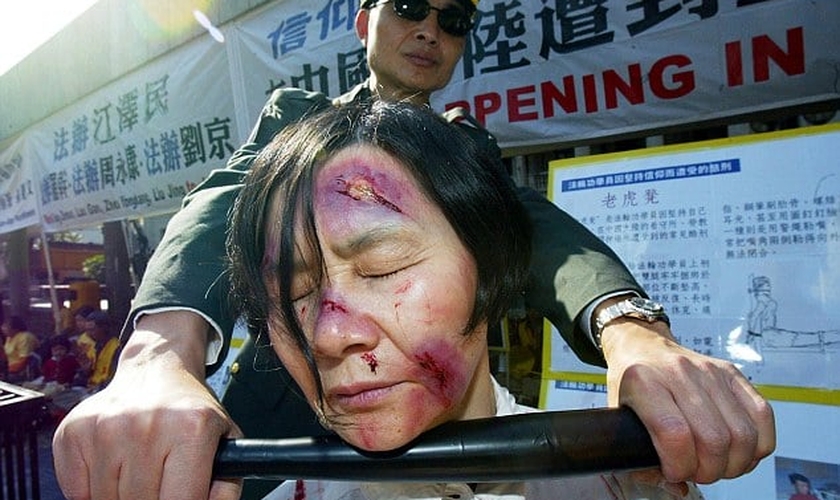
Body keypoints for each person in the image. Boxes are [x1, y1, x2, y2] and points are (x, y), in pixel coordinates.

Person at [53, 1, 775, 499]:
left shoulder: (468, 149)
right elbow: (217, 206)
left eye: (452, 21)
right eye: (409, 8)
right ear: (366, 22)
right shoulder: (299, 121)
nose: (429, 30)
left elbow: (539, 227)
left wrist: (632, 331)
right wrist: (157, 359)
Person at [231, 100, 705, 499]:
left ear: (488, 267)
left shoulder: (624, 484)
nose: (329, 334)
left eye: (383, 267)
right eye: (293, 293)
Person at [3, 315, 40, 382]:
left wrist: (6, 370)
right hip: (10, 369)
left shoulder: (25, 337)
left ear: (15, 328)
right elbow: (6, 356)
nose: (3, 328)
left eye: (6, 326)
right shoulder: (9, 337)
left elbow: (24, 360)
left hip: (22, 372)